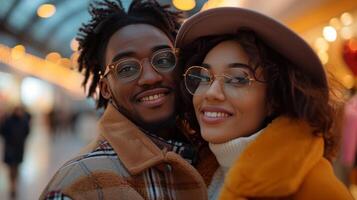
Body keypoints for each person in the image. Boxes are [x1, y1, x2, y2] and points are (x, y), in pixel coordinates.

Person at [40, 0, 217, 199]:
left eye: (164, 59)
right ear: (105, 88)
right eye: (126, 68)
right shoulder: (77, 187)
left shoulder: (219, 153)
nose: (150, 77)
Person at [176, 7, 353, 199]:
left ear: (274, 99)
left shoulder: (315, 188)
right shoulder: (197, 174)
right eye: (203, 77)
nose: (211, 93)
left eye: (237, 79)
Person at [0, 105, 31, 199]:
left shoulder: (24, 121)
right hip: (10, 148)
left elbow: (27, 132)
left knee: (16, 166)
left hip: (19, 148)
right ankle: (12, 185)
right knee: (11, 167)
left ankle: (14, 184)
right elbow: (2, 132)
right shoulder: (8, 121)